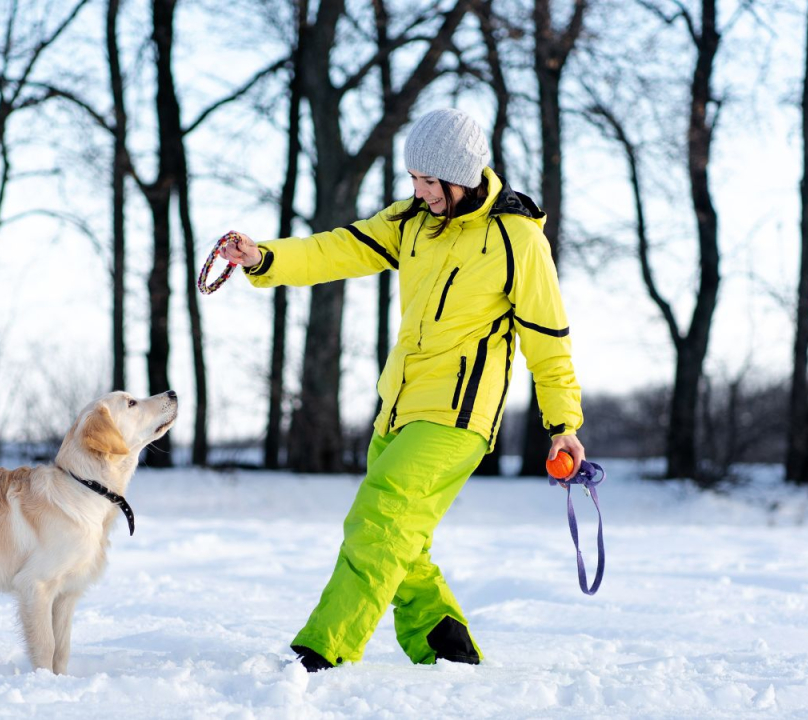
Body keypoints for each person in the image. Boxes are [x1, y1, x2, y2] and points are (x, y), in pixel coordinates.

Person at [220, 107, 585, 671]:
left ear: (461, 175)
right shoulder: (413, 220)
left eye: (429, 181)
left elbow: (548, 337)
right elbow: (337, 248)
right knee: (402, 540)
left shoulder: (516, 239)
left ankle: (323, 650)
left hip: (458, 418)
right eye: (413, 179)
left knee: (380, 518)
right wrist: (264, 256)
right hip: (399, 407)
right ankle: (445, 645)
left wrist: (563, 425)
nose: (419, 190)